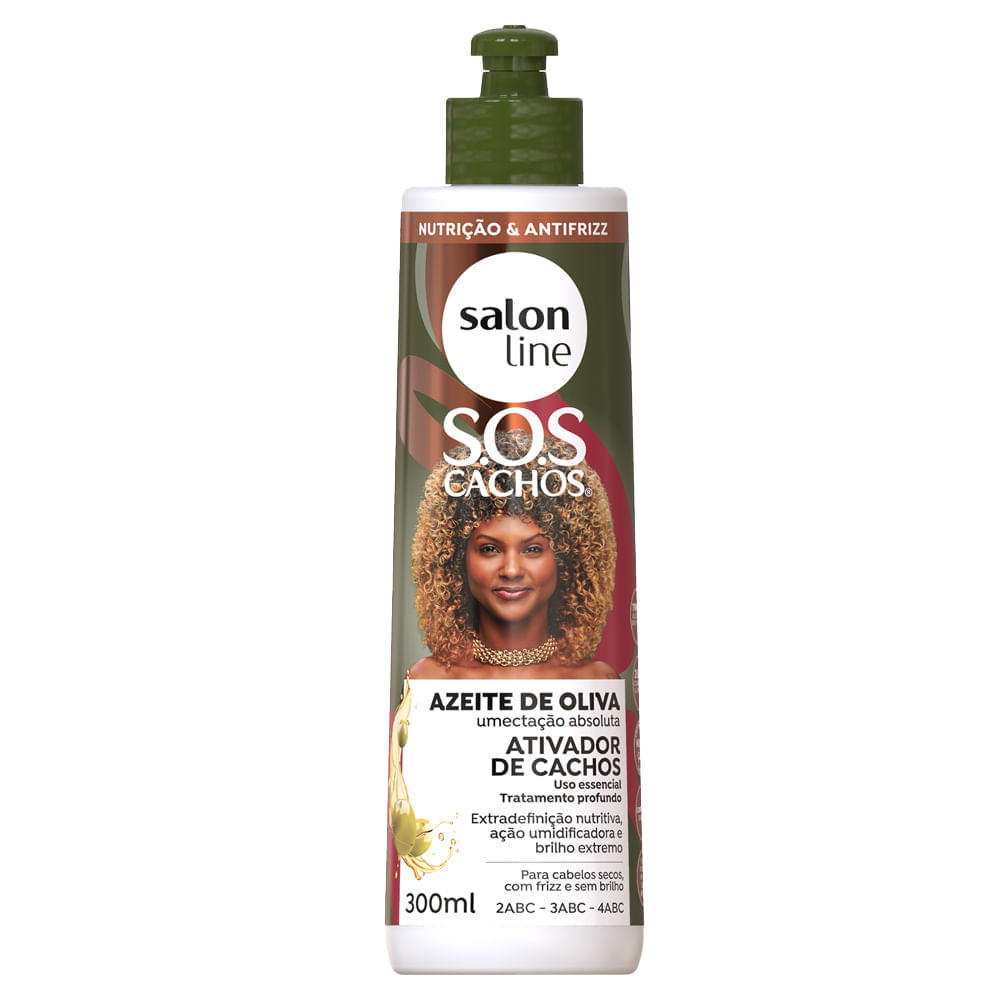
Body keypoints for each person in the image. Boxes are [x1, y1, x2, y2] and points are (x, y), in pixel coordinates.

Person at [408, 428, 617, 680]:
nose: (511, 570)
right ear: (455, 558)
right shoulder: (428, 678)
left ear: (568, 559)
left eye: (533, 549)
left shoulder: (595, 680)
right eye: (489, 549)